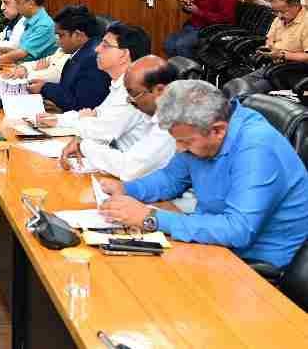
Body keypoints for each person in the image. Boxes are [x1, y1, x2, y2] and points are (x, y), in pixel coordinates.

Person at [99, 80, 308, 269]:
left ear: (218, 130)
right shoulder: (201, 131)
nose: (179, 148)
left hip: (253, 266)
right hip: (212, 244)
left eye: (185, 142)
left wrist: (150, 218)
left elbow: (238, 229)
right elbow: (170, 179)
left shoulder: (257, 148)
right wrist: (126, 189)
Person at [40, 22, 151, 144]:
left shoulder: (132, 91)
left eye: (105, 45)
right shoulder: (117, 84)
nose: (97, 49)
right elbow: (97, 116)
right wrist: (58, 118)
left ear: (124, 55)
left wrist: (71, 120)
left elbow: (101, 131)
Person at [27, 5, 110, 112]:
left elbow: (83, 106)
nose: (57, 40)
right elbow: (68, 90)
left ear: (78, 35)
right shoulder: (81, 52)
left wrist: (44, 88)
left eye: (61, 35)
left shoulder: (92, 60)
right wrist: (46, 88)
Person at [239, 0, 308, 93]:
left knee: (244, 93)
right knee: (236, 85)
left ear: (296, 6)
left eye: (283, 12)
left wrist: (282, 55)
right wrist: (268, 48)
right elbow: (270, 39)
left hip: (293, 72)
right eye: (276, 12)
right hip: (273, 66)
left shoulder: (306, 23)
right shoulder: (279, 19)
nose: (279, 16)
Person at [164, 0, 237, 58]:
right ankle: (177, 67)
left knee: (181, 44)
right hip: (194, 26)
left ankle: (192, 67)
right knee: (169, 43)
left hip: (211, 30)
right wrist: (187, 6)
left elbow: (225, 18)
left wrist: (198, 12)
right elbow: (194, 6)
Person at [0, 0, 57, 64]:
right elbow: (23, 49)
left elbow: (22, 54)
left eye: (18, 2)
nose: (16, 6)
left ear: (30, 3)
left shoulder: (44, 25)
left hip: (33, 70)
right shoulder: (30, 20)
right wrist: (4, 50)